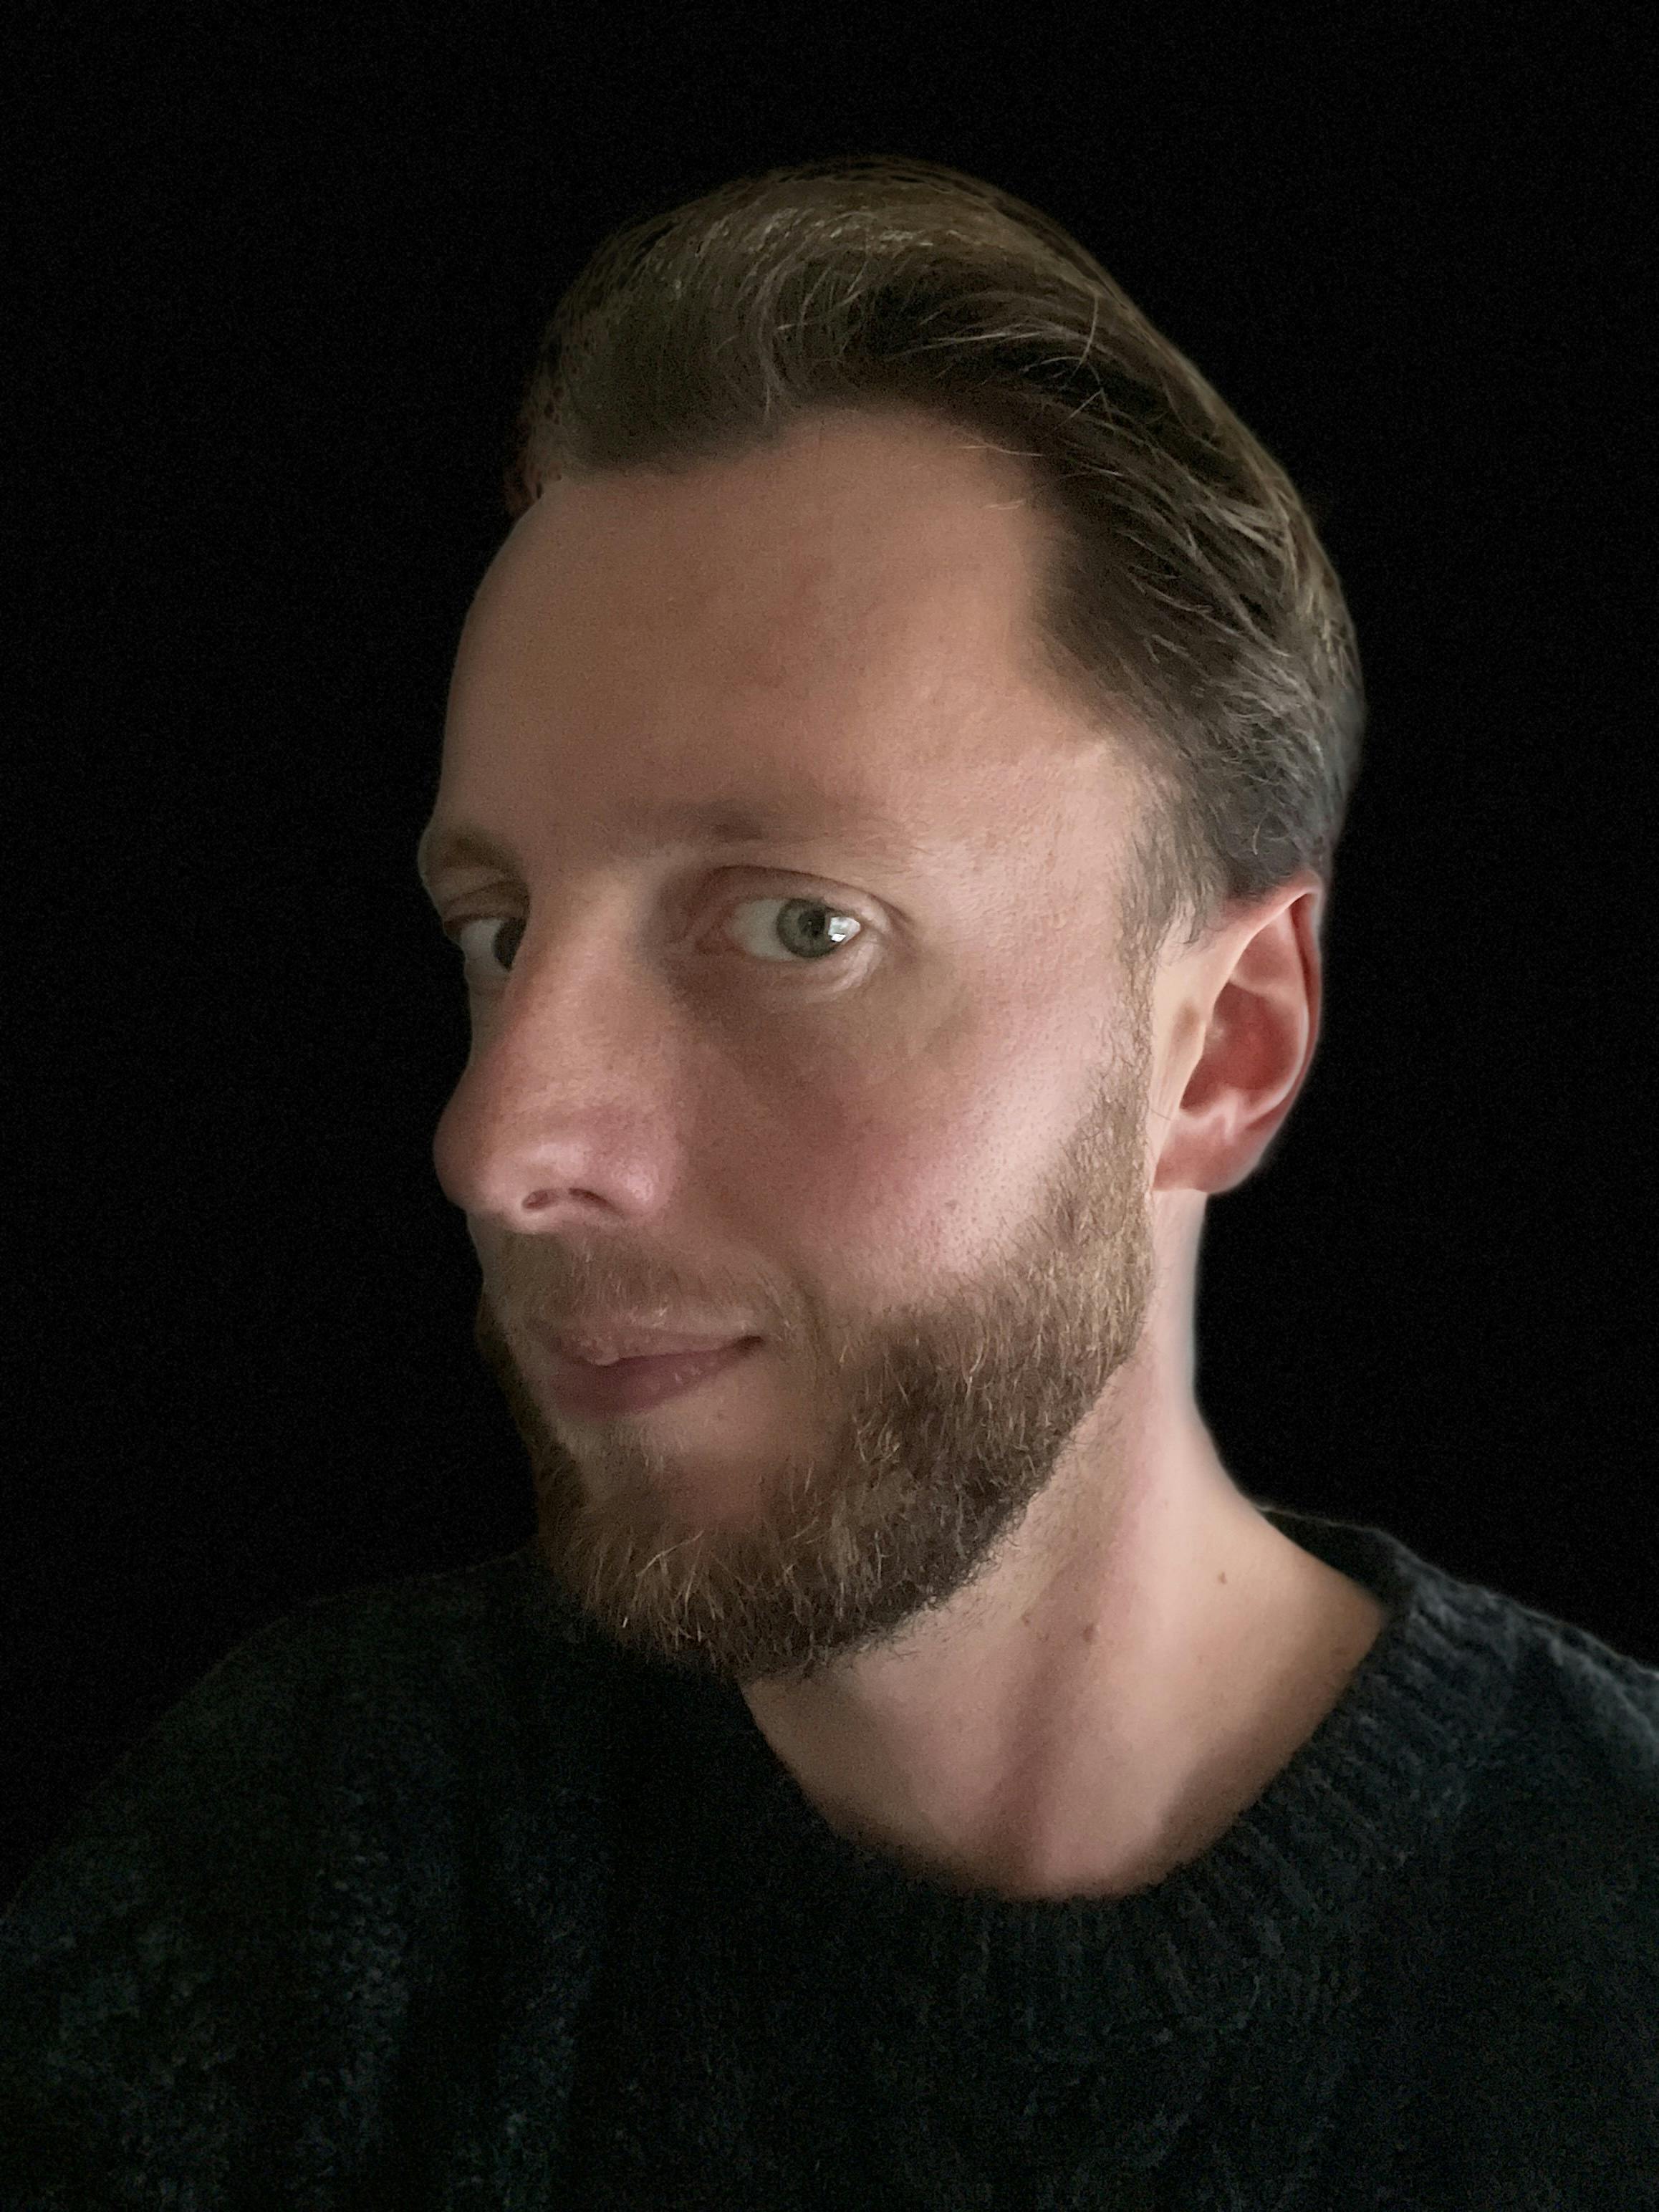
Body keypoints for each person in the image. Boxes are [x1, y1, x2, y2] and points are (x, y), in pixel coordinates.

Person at [4, 155, 1653, 2208]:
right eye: (501, 933)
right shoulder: (294, 1880)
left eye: (799, 928)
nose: (500, 1144)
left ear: (1221, 1049)